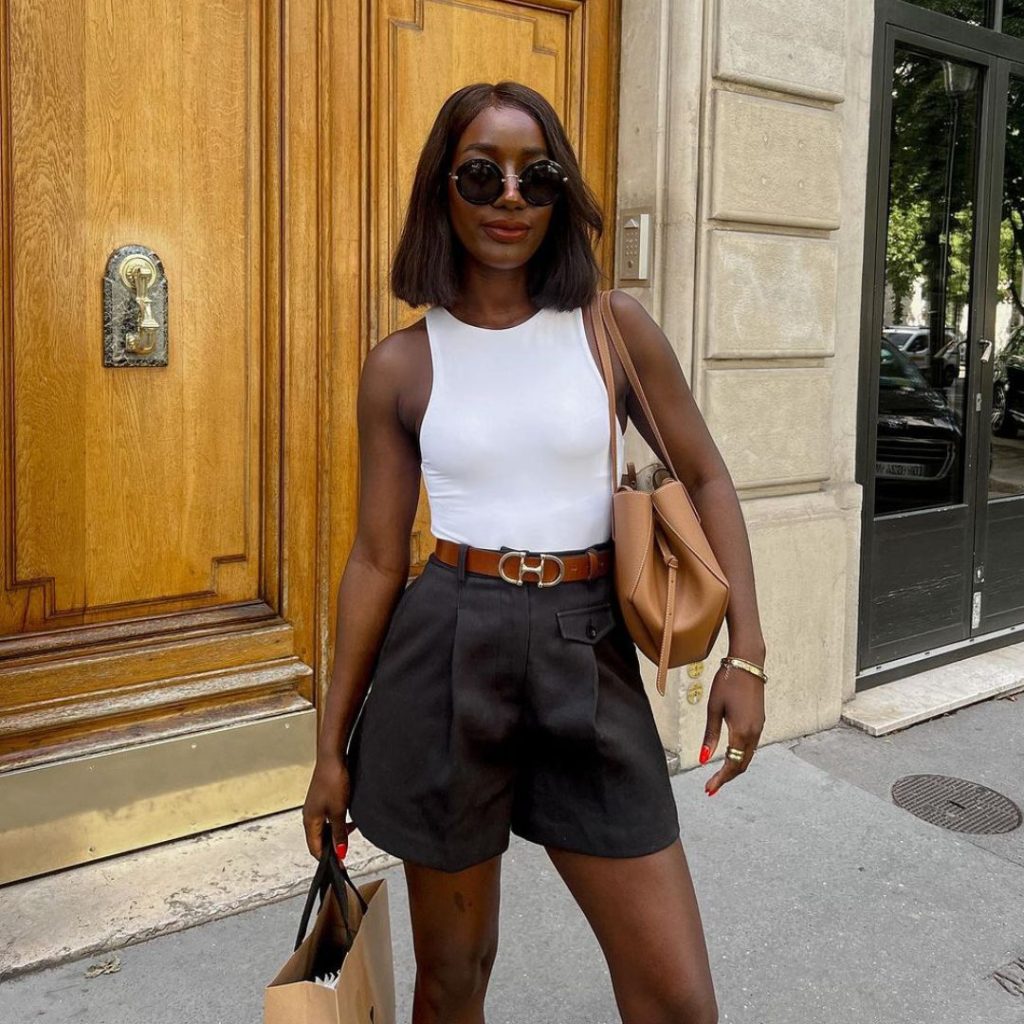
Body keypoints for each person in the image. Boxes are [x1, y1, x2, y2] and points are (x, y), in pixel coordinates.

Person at [303, 80, 767, 1024]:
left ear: (560, 197)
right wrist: (329, 750)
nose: (510, 196)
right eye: (482, 173)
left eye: (537, 174)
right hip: (444, 655)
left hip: (584, 644)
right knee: (454, 980)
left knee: (679, 999)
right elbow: (376, 561)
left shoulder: (612, 327)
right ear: (444, 189)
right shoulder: (403, 363)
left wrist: (746, 653)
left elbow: (709, 480)